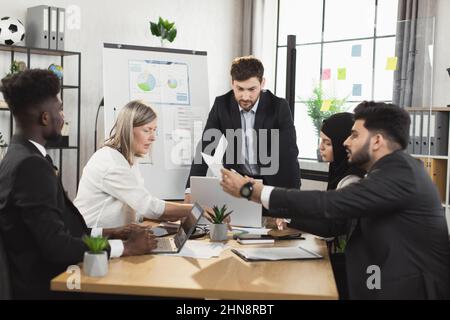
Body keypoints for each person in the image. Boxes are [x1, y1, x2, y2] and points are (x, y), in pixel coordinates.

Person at [220, 101, 450, 299]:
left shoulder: (400, 173)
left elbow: (331, 204)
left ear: (377, 141)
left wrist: (254, 191)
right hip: (379, 278)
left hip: (406, 290)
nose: (347, 142)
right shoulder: (389, 171)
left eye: (355, 135)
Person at [0, 69, 158, 299]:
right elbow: (57, 246)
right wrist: (126, 248)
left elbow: (57, 228)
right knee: (152, 288)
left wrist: (113, 232)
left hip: (57, 277)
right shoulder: (30, 167)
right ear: (45, 117)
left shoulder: (20, 156)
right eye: (60, 109)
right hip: (54, 285)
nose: (63, 117)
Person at [184, 56, 300, 203]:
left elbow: (289, 155)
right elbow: (206, 148)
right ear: (232, 83)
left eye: (252, 89)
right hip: (238, 185)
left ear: (262, 83)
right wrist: (190, 189)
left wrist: (293, 199)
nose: (245, 96)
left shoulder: (278, 107)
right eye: (240, 89)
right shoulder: (222, 105)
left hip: (269, 185)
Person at [277, 112, 366, 300]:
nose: (321, 148)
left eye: (327, 143)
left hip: (349, 266)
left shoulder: (352, 180)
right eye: (321, 141)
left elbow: (332, 227)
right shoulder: (339, 171)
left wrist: (289, 216)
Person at [74, 100, 193, 228]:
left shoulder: (126, 159)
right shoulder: (112, 163)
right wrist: (194, 209)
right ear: (128, 130)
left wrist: (170, 216)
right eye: (147, 130)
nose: (153, 137)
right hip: (94, 242)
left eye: (154, 130)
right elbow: (148, 206)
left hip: (113, 236)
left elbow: (136, 207)